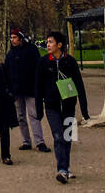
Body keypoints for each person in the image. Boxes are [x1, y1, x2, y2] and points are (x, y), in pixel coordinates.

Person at [35, 31, 90, 183]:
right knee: (58, 136)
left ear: (59, 45)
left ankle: (66, 167)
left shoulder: (70, 61)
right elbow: (38, 86)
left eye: (51, 42)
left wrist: (84, 110)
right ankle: (62, 170)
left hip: (69, 105)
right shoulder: (43, 62)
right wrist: (38, 108)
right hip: (51, 106)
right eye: (47, 42)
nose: (48, 45)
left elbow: (79, 84)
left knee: (67, 137)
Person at [5, 27, 49, 152]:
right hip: (16, 91)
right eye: (11, 38)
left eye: (14, 38)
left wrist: (39, 86)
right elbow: (7, 72)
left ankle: (39, 142)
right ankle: (26, 141)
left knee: (33, 115)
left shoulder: (31, 50)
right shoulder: (10, 54)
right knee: (20, 117)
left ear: (20, 38)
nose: (12, 40)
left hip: (30, 89)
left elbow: (39, 68)